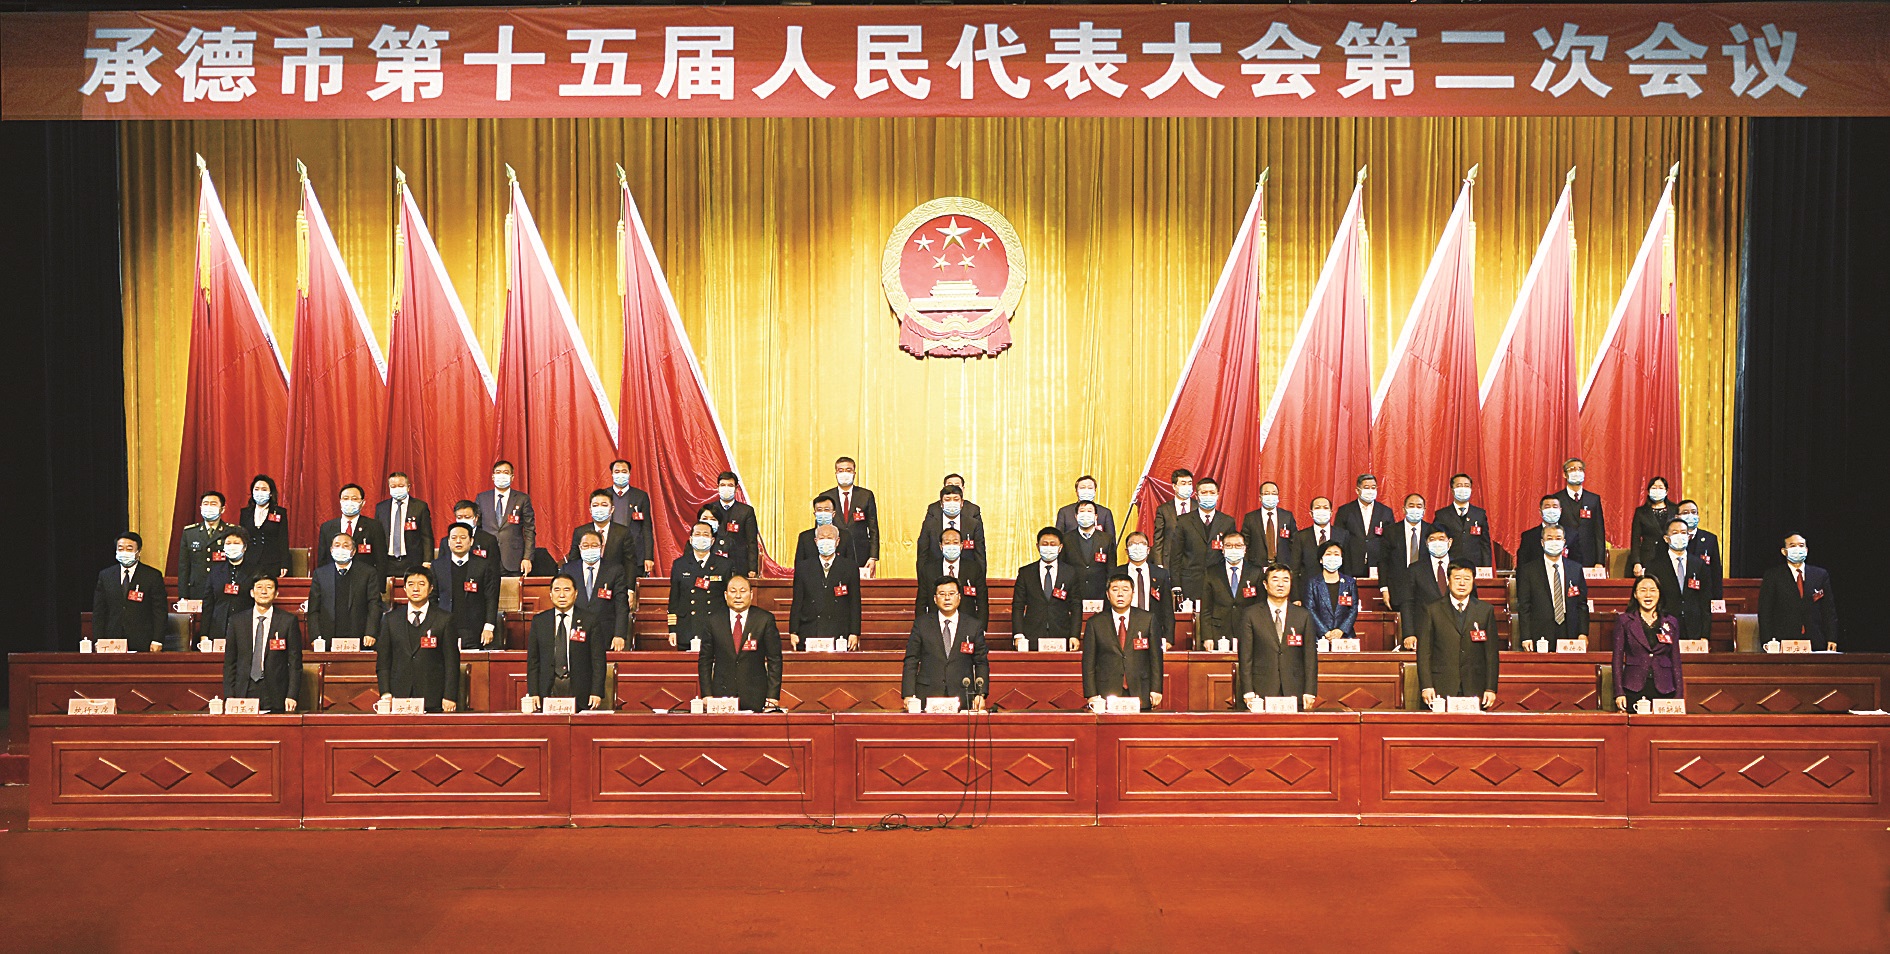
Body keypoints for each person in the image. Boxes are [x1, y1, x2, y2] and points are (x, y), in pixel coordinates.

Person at [1417, 564, 1501, 709]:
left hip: (1475, 686)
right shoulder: (1432, 610)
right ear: (1448, 581)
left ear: (1473, 581)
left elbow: (1491, 653)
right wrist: (1426, 686)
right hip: (1440, 686)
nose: (1462, 583)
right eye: (1457, 578)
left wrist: (1490, 688)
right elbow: (1424, 652)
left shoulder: (1485, 610)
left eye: (1467, 579)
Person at [1236, 563, 1318, 710]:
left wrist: (1310, 691)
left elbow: (1310, 657)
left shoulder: (1303, 615)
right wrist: (1248, 690)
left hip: (1295, 689)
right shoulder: (1251, 614)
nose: (1281, 584)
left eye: (1285, 580)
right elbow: (1245, 656)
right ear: (1265, 584)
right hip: (1261, 689)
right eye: (1275, 579)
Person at [376, 570, 460, 712]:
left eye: (421, 584)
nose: (416, 589)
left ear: (431, 588)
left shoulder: (444, 619)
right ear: (404, 588)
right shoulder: (390, 619)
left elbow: (451, 662)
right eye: (411, 584)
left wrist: (449, 696)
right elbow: (383, 662)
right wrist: (385, 693)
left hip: (434, 698)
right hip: (399, 697)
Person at [902, 576, 989, 710]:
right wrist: (908, 694)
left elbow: (981, 662)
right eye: (942, 594)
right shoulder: (922, 624)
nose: (947, 598)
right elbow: (911, 660)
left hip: (963, 694)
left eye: (951, 593)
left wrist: (980, 694)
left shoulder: (973, 625)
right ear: (935, 599)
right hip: (928, 694)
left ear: (959, 597)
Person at [697, 575, 782, 711]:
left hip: (756, 695)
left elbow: (775, 659)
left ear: (751, 594)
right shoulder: (713, 621)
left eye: (743, 591)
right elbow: (705, 660)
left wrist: (772, 695)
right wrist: (706, 694)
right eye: (733, 591)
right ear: (726, 595)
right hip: (722, 695)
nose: (738, 596)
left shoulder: (764, 620)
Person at [524, 574, 607, 713]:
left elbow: (598, 660)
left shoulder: (590, 620)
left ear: (576, 593)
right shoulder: (539, 621)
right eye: (557, 590)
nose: (562, 595)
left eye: (567, 590)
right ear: (550, 594)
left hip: (580, 691)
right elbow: (533, 661)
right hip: (547, 689)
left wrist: (596, 692)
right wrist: (533, 692)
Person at [1083, 573, 1165, 710]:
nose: (1120, 594)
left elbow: (1156, 658)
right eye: (1115, 590)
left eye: (1125, 589)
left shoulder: (1147, 620)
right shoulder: (1095, 623)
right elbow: (1088, 662)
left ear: (1133, 594)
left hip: (1141, 690)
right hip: (1106, 691)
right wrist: (1091, 694)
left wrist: (1156, 689)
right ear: (1108, 594)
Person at [220, 576, 301, 712]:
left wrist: (292, 695)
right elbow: (230, 663)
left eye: (269, 587)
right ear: (252, 593)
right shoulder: (237, 621)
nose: (264, 591)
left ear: (276, 594)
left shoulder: (288, 621)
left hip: (276, 693)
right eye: (259, 587)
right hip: (244, 689)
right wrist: (229, 695)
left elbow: (295, 663)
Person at [1513, 524, 1590, 651]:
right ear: (1542, 543)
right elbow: (1524, 606)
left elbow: (1581, 604)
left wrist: (1583, 633)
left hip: (1570, 630)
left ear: (1564, 542)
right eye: (1549, 538)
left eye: (1558, 538)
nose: (1554, 542)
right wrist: (1526, 637)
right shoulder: (1529, 570)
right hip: (1540, 632)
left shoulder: (1575, 569)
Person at [1613, 576, 1684, 711]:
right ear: (1635, 594)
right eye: (1643, 590)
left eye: (1652, 590)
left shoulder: (1671, 622)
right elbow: (1617, 659)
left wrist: (1679, 695)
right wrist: (1619, 692)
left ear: (1659, 593)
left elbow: (1676, 660)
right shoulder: (1624, 621)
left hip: (1665, 688)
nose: (1648, 595)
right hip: (1633, 687)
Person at [1758, 534, 1839, 652]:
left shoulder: (1820, 575)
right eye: (1792, 546)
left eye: (1801, 545)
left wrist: (1832, 638)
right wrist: (1767, 641)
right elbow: (1765, 611)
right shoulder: (1773, 576)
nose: (1797, 549)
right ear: (1784, 551)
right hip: (1783, 641)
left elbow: (1828, 610)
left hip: (1815, 641)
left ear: (1806, 550)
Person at [789, 524, 861, 651]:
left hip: (839, 631)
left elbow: (854, 602)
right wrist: (793, 631)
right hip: (810, 629)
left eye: (830, 538)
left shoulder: (850, 567)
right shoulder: (803, 567)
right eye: (822, 538)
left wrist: (854, 632)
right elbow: (797, 601)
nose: (826, 541)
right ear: (816, 541)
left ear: (837, 541)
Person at [559, 529, 632, 652]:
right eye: (585, 546)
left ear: (601, 548)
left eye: (594, 546)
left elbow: (621, 605)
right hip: (575, 630)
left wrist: (619, 635)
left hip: (605, 633)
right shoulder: (568, 570)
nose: (590, 549)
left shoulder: (615, 570)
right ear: (580, 548)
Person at [94, 532, 168, 652]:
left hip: (143, 640)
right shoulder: (106, 575)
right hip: (112, 639)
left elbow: (160, 611)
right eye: (120, 549)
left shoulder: (152, 576)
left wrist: (157, 640)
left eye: (129, 549)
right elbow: (99, 611)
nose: (124, 552)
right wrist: (98, 639)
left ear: (138, 552)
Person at [309, 533, 384, 648]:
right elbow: (313, 609)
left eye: (345, 546)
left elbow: (374, 604)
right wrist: (315, 636)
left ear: (353, 551)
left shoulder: (368, 573)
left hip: (360, 636)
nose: (341, 549)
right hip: (327, 637)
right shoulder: (320, 574)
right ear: (331, 550)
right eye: (337, 545)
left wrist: (371, 632)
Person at [1011, 527, 1081, 650]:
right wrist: (1018, 634)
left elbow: (1076, 606)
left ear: (1060, 547)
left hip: (1061, 633)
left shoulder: (1070, 572)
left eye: (1053, 544)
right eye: (1045, 544)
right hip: (1032, 634)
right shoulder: (1026, 572)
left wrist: (1074, 635)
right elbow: (1018, 605)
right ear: (1038, 547)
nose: (1048, 547)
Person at [1645, 517, 1712, 645]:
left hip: (1694, 629)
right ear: (1666, 538)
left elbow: (1705, 601)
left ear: (1689, 537)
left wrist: (1705, 635)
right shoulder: (1654, 566)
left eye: (1683, 532)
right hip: (1665, 627)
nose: (1680, 536)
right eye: (1675, 533)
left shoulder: (1699, 565)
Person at [433, 523, 499, 650]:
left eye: (463, 537)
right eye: (454, 538)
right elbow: (432, 598)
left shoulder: (483, 565)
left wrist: (489, 627)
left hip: (474, 629)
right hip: (445, 628)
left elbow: (491, 598)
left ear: (471, 541)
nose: (458, 541)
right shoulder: (437, 566)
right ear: (448, 542)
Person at [667, 522, 731, 649]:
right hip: (687, 628)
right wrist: (672, 630)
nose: (701, 538)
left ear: (712, 541)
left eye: (705, 535)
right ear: (691, 540)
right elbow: (674, 600)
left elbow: (728, 599)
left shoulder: (724, 565)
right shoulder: (680, 564)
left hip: (715, 628)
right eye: (697, 534)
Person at [1197, 530, 1265, 650]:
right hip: (1218, 631)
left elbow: (1260, 606)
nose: (1233, 549)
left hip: (1247, 630)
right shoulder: (1212, 572)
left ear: (1244, 549)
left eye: (1238, 546)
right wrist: (1207, 637)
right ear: (1223, 549)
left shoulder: (1256, 572)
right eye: (1229, 546)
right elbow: (1206, 608)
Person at [200, 528, 270, 641]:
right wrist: (204, 634)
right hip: (218, 627)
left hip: (245, 627)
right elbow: (208, 603)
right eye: (228, 543)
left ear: (244, 547)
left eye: (236, 543)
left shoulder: (256, 571)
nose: (232, 546)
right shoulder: (215, 570)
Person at [1392, 528, 1456, 652]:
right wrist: (1409, 634)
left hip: (1456, 630)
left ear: (1450, 542)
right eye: (1432, 539)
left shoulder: (1461, 567)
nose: (1437, 543)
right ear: (1426, 543)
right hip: (1425, 631)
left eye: (1441, 539)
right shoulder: (1415, 569)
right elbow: (1407, 603)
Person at [1174, 476, 1237, 601]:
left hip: (1219, 582)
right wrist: (1176, 585)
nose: (1208, 496)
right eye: (1204, 493)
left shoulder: (1227, 522)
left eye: (1212, 493)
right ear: (1196, 496)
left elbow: (1232, 554)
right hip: (1190, 582)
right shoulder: (1184, 521)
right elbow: (1176, 555)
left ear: (1218, 495)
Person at [816, 457, 879, 576]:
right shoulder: (826, 497)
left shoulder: (865, 495)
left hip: (861, 554)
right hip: (834, 552)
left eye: (848, 470)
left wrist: (873, 557)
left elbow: (873, 529)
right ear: (836, 473)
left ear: (854, 473)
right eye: (841, 470)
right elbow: (820, 529)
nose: (844, 473)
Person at [477, 460, 536, 576]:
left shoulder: (522, 499)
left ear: (512, 477)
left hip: (513, 559)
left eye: (505, 472)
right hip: (486, 558)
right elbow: (477, 528)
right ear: (493, 476)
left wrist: (527, 557)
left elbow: (529, 530)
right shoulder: (482, 498)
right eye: (498, 472)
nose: (501, 475)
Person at [916, 527, 987, 620]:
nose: (951, 546)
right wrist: (922, 626)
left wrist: (981, 626)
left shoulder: (974, 568)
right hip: (935, 623)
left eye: (955, 542)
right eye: (947, 543)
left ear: (961, 545)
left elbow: (982, 602)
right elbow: (921, 603)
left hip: (967, 623)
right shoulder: (928, 570)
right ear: (941, 546)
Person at [1119, 531, 1175, 648]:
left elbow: (1167, 608)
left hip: (1153, 630)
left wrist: (1168, 638)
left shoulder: (1161, 574)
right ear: (1126, 551)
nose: (1137, 547)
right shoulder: (1116, 573)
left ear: (1148, 550)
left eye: (1142, 543)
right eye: (1132, 544)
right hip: (1124, 629)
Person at [315, 484, 386, 577]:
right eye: (345, 498)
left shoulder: (374, 526)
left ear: (362, 503)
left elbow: (381, 560)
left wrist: (378, 585)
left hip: (364, 579)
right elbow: (322, 560)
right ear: (340, 501)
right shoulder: (327, 527)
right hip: (334, 579)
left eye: (354, 499)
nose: (349, 502)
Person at [1334, 474, 1395, 580]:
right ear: (1357, 490)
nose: (1370, 491)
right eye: (1366, 487)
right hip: (1351, 564)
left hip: (1377, 565)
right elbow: (1338, 538)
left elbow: (1391, 539)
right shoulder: (1345, 511)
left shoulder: (1385, 511)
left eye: (1373, 487)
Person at [375, 471, 433, 578]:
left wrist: (427, 560)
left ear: (408, 487)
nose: (397, 489)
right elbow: (377, 536)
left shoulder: (420, 507)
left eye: (401, 486)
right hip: (387, 561)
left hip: (412, 560)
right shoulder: (381, 508)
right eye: (393, 486)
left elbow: (427, 536)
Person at [915, 484, 986, 571]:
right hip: (935, 573)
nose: (952, 503)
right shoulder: (930, 524)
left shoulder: (973, 524)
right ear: (941, 504)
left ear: (962, 503)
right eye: (947, 499)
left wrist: (980, 577)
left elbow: (980, 555)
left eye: (956, 499)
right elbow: (922, 554)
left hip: (966, 573)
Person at [1382, 493, 1434, 610]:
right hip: (1398, 590)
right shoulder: (1391, 531)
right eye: (1411, 505)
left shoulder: (1431, 531)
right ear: (1404, 509)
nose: (1415, 509)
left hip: (1426, 591)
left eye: (1419, 506)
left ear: (1424, 510)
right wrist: (1384, 589)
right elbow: (1383, 562)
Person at [1302, 541, 1359, 647]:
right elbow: (1310, 609)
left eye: (1336, 554)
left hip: (1345, 637)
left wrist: (1341, 630)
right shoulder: (1312, 583)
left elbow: (1353, 609)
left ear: (1341, 559)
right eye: (1328, 554)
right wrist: (1326, 632)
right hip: (1319, 637)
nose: (1332, 557)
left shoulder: (1350, 582)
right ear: (1321, 559)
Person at [606, 459, 656, 577]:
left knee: (633, 586)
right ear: (612, 474)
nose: (620, 474)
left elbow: (646, 528)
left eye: (624, 471)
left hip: (635, 554)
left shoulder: (640, 496)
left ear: (629, 473)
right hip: (610, 554)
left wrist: (648, 557)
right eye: (617, 471)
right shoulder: (604, 495)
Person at [177, 491, 229, 601]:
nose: (209, 507)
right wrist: (183, 596)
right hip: (197, 590)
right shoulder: (190, 533)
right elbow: (184, 567)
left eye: (213, 504)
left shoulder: (230, 531)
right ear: (200, 508)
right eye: (205, 504)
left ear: (222, 509)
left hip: (222, 590)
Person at [1557, 457, 1608, 573]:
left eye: (1580, 469)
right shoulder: (1557, 499)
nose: (1577, 472)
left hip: (1589, 558)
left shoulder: (1593, 499)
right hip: (1565, 556)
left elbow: (1599, 532)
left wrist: (1600, 561)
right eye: (1572, 469)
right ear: (1564, 474)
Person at [1431, 474, 1491, 568]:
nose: (1463, 489)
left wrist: (1486, 567)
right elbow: (1436, 540)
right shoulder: (1442, 515)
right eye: (1459, 485)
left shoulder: (1479, 514)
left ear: (1471, 489)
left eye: (1466, 486)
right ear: (1452, 490)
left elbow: (1485, 544)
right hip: (1450, 564)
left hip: (1474, 565)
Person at [1291, 497, 1358, 582]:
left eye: (1325, 508)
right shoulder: (1300, 536)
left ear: (1331, 513)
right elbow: (1295, 569)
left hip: (1336, 584)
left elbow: (1347, 566)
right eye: (1317, 508)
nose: (1322, 511)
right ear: (1311, 513)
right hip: (1307, 585)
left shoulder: (1343, 535)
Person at [1063, 500, 1117, 602]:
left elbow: (1111, 568)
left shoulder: (1107, 539)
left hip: (1100, 594)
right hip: (1073, 594)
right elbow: (1063, 568)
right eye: (1082, 511)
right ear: (1076, 516)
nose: (1085, 514)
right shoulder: (1066, 539)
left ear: (1096, 517)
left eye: (1089, 511)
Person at [569, 489, 633, 575]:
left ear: (612, 509)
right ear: (590, 510)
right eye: (595, 505)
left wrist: (628, 584)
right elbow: (573, 561)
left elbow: (630, 564)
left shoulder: (623, 532)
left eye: (604, 505)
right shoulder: (580, 532)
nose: (599, 508)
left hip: (616, 579)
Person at [238, 474, 291, 577]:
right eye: (257, 489)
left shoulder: (279, 512)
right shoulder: (245, 513)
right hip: (250, 561)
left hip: (273, 561)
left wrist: (285, 564)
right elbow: (242, 537)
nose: (260, 492)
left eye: (264, 489)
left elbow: (283, 539)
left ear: (270, 493)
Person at [710, 472, 761, 578]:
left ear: (736, 488)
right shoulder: (710, 509)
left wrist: (752, 568)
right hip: (714, 563)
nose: (726, 488)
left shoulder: (746, 511)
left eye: (730, 485)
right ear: (717, 487)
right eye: (723, 485)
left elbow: (751, 542)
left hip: (739, 564)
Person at [1675, 499, 1724, 605]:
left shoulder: (1710, 539)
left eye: (1694, 512)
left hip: (1702, 596)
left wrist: (1717, 598)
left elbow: (1716, 572)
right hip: (1678, 596)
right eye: (1685, 513)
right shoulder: (1671, 539)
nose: (1690, 515)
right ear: (1677, 517)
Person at [1240, 480, 1299, 566]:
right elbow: (1245, 544)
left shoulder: (1287, 516)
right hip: (1256, 566)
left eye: (1274, 493)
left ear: (1278, 497)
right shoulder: (1250, 518)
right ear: (1260, 498)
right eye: (1267, 493)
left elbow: (1295, 543)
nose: (1270, 496)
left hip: (1282, 565)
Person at [1517, 494, 1586, 566]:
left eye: (1555, 507)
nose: (1551, 510)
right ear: (1540, 512)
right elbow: (1522, 564)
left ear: (1560, 511)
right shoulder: (1528, 536)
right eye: (1547, 507)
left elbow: (1577, 563)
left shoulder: (1572, 534)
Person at [1628, 476, 1677, 577]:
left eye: (1661, 488)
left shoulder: (1675, 509)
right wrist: (1636, 562)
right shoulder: (1641, 512)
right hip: (1648, 556)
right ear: (1648, 491)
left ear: (1666, 491)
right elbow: (1635, 539)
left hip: (1671, 555)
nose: (1657, 490)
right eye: (1654, 488)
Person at [1151, 468, 1195, 572]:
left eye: (1189, 483)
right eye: (1183, 483)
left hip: (1193, 562)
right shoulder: (1163, 510)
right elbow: (1158, 538)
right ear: (1174, 486)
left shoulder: (1198, 507)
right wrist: (1159, 564)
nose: (1187, 486)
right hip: (1170, 562)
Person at [794, 496, 856, 568]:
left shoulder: (845, 535)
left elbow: (851, 564)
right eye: (819, 510)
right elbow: (799, 565)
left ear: (833, 514)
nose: (823, 513)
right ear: (815, 514)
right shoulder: (805, 537)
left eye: (826, 510)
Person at [1056, 475, 1117, 542]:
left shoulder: (1105, 512)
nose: (1086, 490)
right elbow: (1058, 538)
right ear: (1076, 492)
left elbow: (1111, 540)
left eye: (1090, 488)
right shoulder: (1065, 512)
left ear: (1095, 491)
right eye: (1082, 488)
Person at [438, 500, 499, 565]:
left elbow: (494, 566)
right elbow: (441, 565)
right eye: (459, 517)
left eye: (467, 517)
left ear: (476, 518)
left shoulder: (489, 540)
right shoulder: (446, 542)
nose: (463, 520)